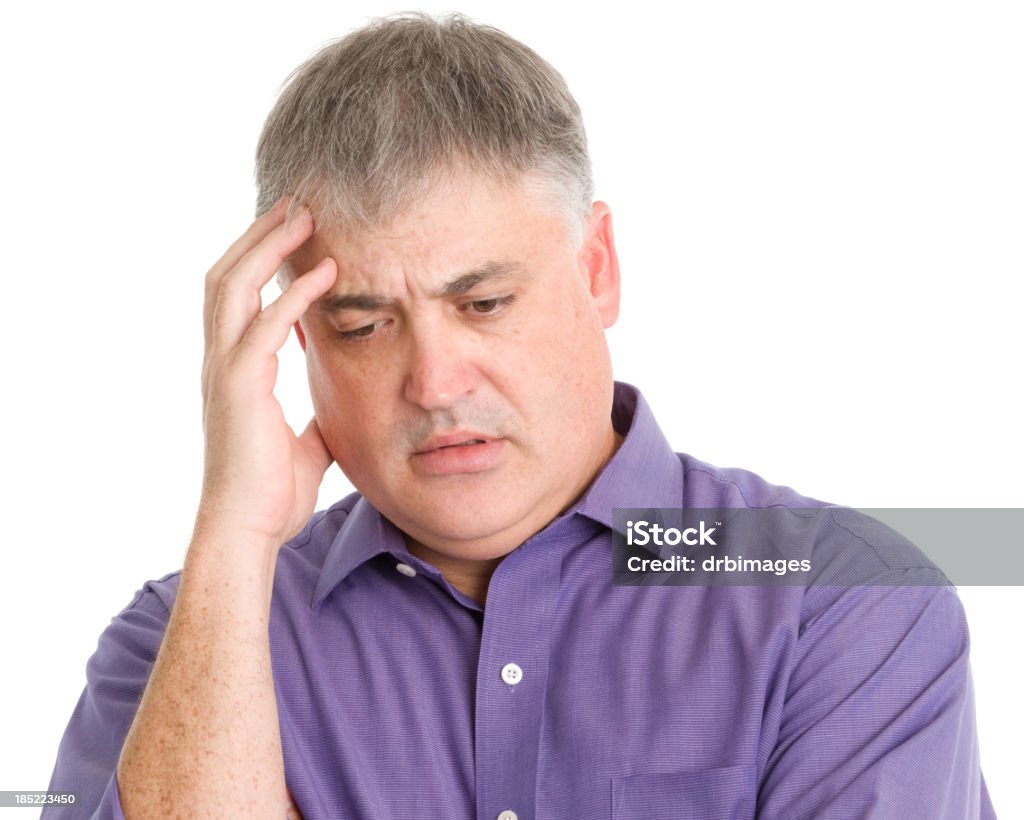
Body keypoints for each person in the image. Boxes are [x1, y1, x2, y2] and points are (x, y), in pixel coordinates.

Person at [46, 13, 995, 819]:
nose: (434, 380)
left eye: (484, 303)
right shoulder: (181, 642)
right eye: (365, 324)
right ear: (294, 341)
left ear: (597, 269)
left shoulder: (843, 606)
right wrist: (235, 535)